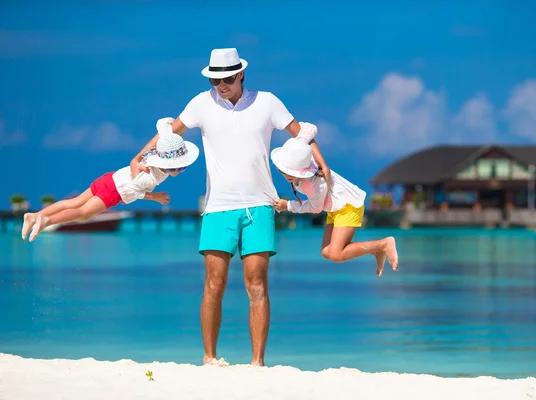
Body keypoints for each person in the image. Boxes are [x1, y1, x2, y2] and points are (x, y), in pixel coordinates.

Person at [128, 48, 330, 366]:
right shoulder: (200, 103)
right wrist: (138, 159)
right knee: (213, 283)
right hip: (218, 206)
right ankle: (209, 359)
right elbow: (167, 133)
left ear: (241, 75)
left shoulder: (268, 102)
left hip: (260, 205)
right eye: (214, 78)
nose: (220, 84)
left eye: (226, 78)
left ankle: (257, 363)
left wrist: (324, 169)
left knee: (257, 283)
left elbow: (302, 134)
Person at [22, 117, 199, 242]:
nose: (180, 170)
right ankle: (47, 221)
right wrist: (155, 197)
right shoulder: (151, 177)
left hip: (110, 178)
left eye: (182, 166)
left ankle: (35, 215)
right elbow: (133, 191)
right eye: (177, 167)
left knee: (74, 202)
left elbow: (163, 132)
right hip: (114, 191)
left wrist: (169, 126)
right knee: (84, 214)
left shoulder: (154, 152)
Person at [271, 138, 399, 276]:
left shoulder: (311, 184)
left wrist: (288, 205)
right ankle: (375, 249)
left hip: (348, 206)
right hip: (334, 208)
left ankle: (384, 244)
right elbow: (308, 132)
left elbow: (315, 208)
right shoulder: (303, 156)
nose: (284, 173)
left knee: (336, 255)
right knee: (327, 252)